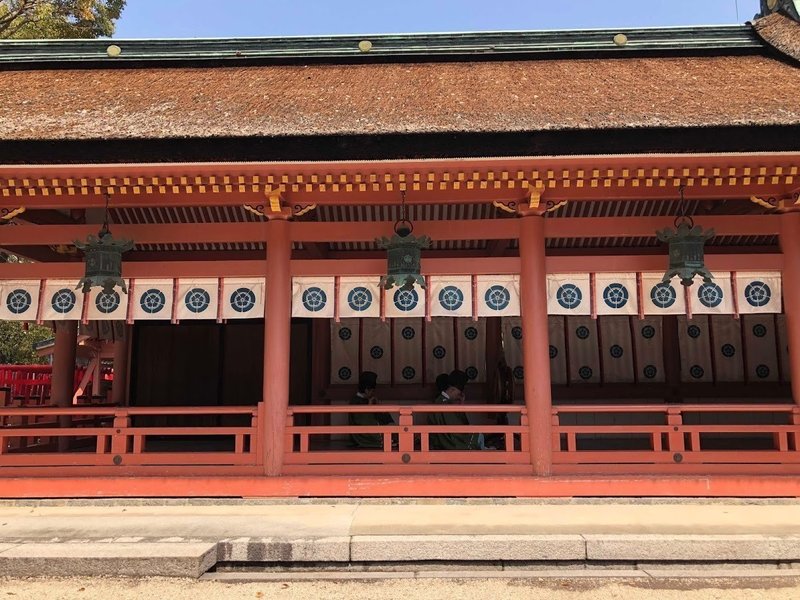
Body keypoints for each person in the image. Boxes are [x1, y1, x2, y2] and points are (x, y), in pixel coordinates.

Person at [427, 369, 490, 450]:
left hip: (440, 442)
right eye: (458, 393)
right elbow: (458, 430)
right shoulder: (444, 404)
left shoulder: (440, 401)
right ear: (452, 389)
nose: (459, 395)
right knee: (478, 436)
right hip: (446, 444)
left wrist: (461, 403)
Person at [348, 371, 393, 449]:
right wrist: (369, 406)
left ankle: (391, 436)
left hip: (374, 432)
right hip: (362, 436)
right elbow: (362, 420)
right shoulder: (355, 401)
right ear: (366, 390)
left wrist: (378, 407)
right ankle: (384, 439)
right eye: (372, 391)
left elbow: (379, 417)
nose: (373, 393)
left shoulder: (369, 399)